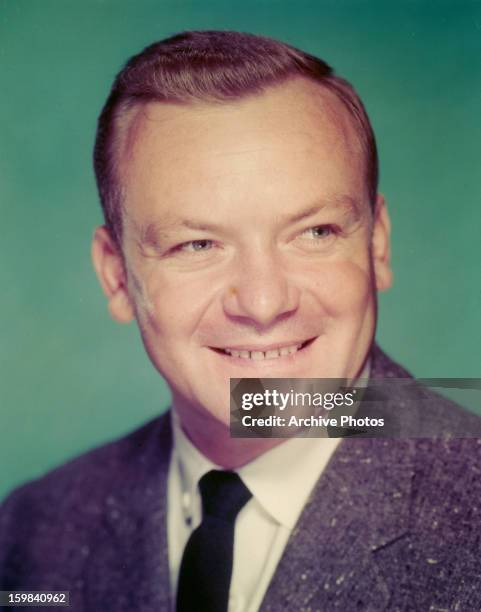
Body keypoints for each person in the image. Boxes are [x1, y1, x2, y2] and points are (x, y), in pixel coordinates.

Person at [1, 30, 480, 612]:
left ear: (377, 245)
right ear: (117, 276)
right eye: (197, 244)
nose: (262, 302)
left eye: (315, 233)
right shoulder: (29, 536)